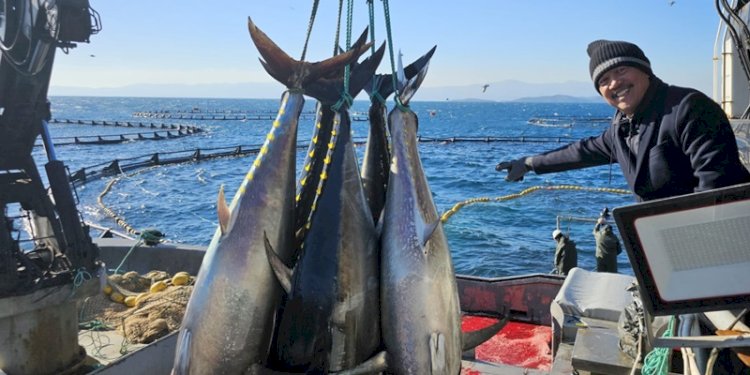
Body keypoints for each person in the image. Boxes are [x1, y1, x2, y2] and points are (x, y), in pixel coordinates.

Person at [496, 40, 750, 202]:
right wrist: (529, 163)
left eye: (621, 70)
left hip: (721, 238)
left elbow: (717, 188)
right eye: (604, 80)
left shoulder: (688, 108)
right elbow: (581, 152)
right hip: (664, 238)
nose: (614, 83)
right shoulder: (622, 126)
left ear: (645, 72)